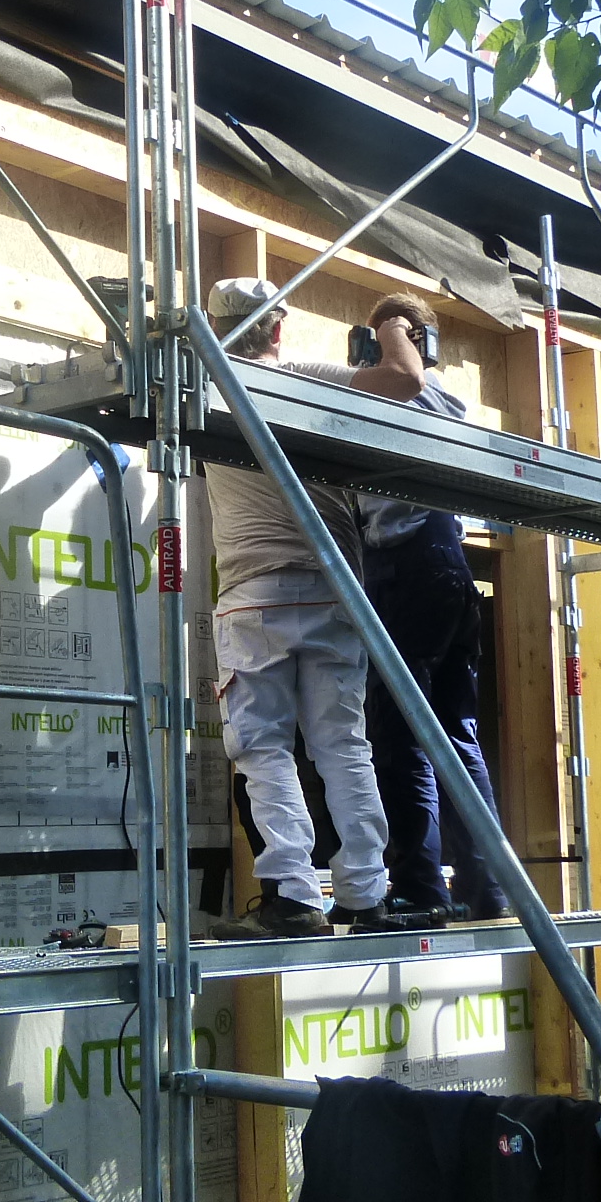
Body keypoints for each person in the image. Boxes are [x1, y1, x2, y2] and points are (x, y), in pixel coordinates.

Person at [202, 277, 430, 940]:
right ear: (279, 328)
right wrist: (393, 321)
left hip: (255, 596)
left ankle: (295, 897)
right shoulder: (309, 379)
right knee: (343, 745)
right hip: (334, 591)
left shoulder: (203, 383)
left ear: (214, 328)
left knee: (263, 748)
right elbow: (407, 381)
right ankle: (365, 894)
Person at [355, 290, 507, 921]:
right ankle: (487, 885)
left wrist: (389, 328)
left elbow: (404, 376)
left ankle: (420, 885)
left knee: (399, 735)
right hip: (449, 570)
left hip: (410, 568)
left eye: (378, 340)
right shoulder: (450, 403)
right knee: (457, 735)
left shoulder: (404, 389)